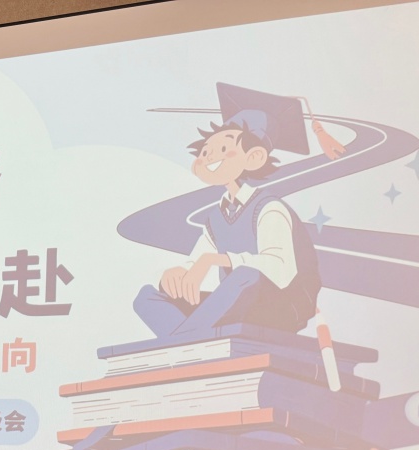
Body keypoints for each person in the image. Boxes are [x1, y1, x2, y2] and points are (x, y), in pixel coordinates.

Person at [132, 83, 324, 338]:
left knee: (245, 277)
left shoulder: (270, 208)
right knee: (148, 296)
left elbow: (280, 269)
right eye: (205, 151)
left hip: (280, 307)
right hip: (233, 306)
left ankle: (186, 339)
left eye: (222, 150)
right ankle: (194, 338)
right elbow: (195, 262)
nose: (208, 158)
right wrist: (176, 275)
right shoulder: (216, 218)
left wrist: (216, 260)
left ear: (254, 158)